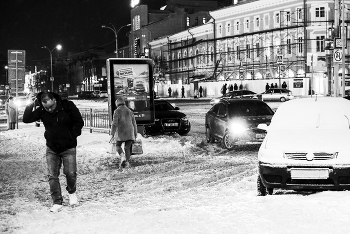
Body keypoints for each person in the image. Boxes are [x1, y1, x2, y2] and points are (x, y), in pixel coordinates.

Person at [22, 92, 84, 213]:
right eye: (46, 107)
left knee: (70, 173)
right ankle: (57, 201)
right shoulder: (42, 110)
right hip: (52, 148)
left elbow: (79, 122)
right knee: (52, 176)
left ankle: (72, 192)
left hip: (68, 147)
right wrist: (31, 103)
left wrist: (71, 136)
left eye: (51, 106)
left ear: (54, 100)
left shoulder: (68, 106)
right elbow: (26, 119)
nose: (49, 109)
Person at [111, 96, 138, 169]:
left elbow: (114, 124)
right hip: (130, 132)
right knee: (127, 147)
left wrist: (112, 133)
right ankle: (127, 162)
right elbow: (134, 124)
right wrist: (135, 134)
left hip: (121, 132)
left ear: (117, 104)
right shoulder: (130, 111)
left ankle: (122, 156)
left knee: (118, 146)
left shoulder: (117, 111)